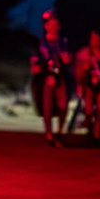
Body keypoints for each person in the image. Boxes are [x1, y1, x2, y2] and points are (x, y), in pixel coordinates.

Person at [30, 11, 71, 146]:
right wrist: (38, 67)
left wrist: (66, 59)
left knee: (63, 104)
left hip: (60, 77)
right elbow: (35, 61)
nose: (54, 27)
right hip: (46, 77)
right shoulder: (40, 44)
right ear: (46, 26)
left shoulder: (63, 42)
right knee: (47, 104)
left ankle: (60, 131)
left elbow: (68, 59)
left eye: (56, 25)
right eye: (51, 24)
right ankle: (49, 133)